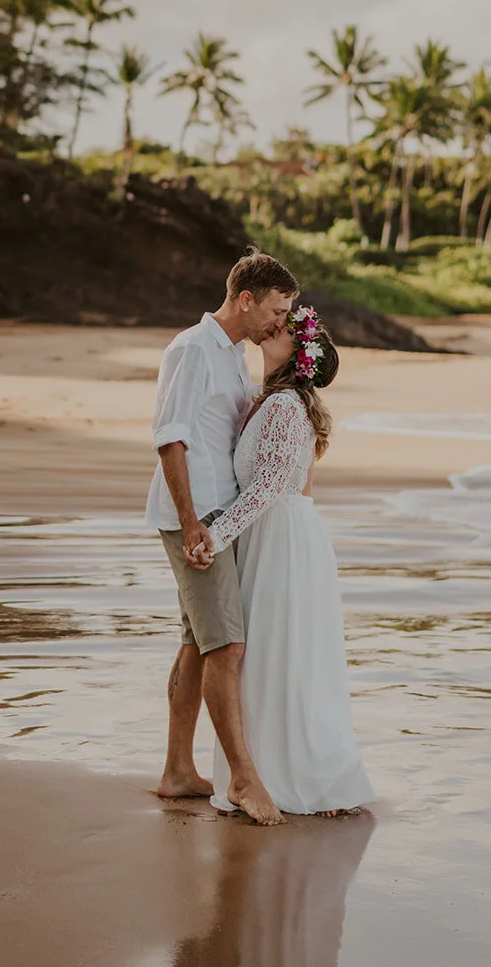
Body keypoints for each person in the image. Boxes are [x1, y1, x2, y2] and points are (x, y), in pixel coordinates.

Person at [192, 305, 375, 817]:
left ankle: (299, 777)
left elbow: (271, 487)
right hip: (272, 535)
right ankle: (266, 770)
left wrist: (216, 533)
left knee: (279, 655)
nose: (277, 328)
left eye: (288, 330)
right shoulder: (265, 401)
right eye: (278, 322)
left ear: (298, 354)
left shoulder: (286, 407)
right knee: (270, 656)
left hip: (281, 539)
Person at [145, 250, 299, 826]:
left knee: (196, 641)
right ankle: (242, 777)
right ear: (245, 300)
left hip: (218, 516)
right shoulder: (191, 349)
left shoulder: (235, 355)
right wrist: (191, 523)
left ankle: (178, 771)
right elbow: (171, 439)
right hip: (198, 519)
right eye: (276, 311)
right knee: (226, 646)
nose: (279, 324)